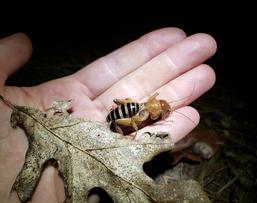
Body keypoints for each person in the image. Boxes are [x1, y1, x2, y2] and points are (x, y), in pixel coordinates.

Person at [0, 28, 217, 203]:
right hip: (126, 114)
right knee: (132, 121)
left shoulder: (150, 106)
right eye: (162, 109)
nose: (161, 110)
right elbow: (152, 107)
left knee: (133, 118)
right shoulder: (150, 108)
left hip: (128, 111)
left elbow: (153, 105)